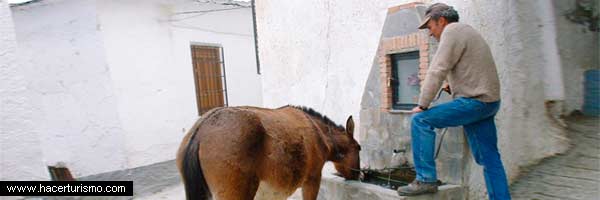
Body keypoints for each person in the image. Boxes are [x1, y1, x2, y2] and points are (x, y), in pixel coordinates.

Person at [396, 3, 512, 199]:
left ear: (441, 21)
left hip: (474, 103)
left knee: (421, 120)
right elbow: (468, 67)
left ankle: (425, 179)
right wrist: (454, 85)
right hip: (489, 103)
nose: (430, 33)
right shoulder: (467, 31)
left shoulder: (451, 31)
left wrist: (422, 104)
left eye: (430, 27)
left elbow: (437, 70)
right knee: (489, 159)